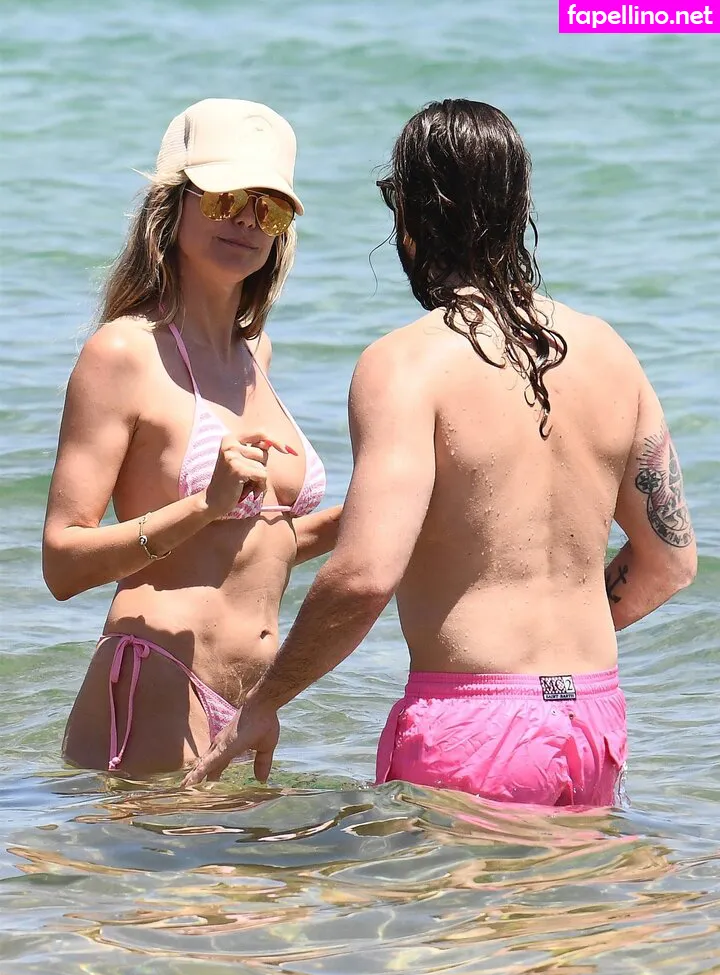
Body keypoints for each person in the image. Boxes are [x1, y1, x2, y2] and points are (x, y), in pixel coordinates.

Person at [183, 99, 697, 806]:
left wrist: (264, 702)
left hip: (472, 727)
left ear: (411, 218)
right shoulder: (610, 353)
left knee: (432, 886)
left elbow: (364, 576)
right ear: (518, 209)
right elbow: (669, 562)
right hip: (592, 718)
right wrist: (547, 653)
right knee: (572, 883)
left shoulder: (407, 364)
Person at [42, 98, 341, 775]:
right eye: (225, 198)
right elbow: (62, 563)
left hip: (245, 703)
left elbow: (252, 547)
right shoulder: (123, 352)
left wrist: (378, 512)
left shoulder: (254, 354)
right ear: (171, 209)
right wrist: (202, 505)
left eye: (269, 208)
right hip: (156, 683)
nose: (247, 220)